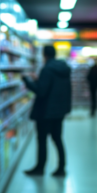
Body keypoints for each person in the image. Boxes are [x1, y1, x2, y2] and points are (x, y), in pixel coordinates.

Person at [22, 45, 72, 176]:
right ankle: (61, 168)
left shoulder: (46, 69)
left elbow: (41, 91)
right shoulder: (63, 69)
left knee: (42, 140)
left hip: (45, 112)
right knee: (57, 139)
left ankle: (40, 168)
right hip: (59, 111)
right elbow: (57, 87)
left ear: (44, 55)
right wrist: (39, 79)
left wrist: (27, 81)